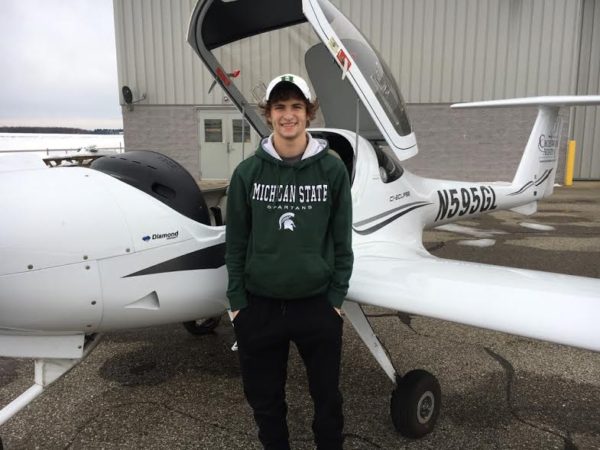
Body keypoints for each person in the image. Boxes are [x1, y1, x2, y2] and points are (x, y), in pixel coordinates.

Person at [225, 73, 353, 450]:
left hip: (316, 306)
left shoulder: (332, 170)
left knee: (327, 400)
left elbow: (342, 240)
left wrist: (335, 298)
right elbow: (236, 243)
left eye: (296, 106)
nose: (288, 115)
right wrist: (237, 304)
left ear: (309, 113)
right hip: (259, 308)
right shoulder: (247, 173)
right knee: (265, 403)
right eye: (279, 107)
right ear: (268, 114)